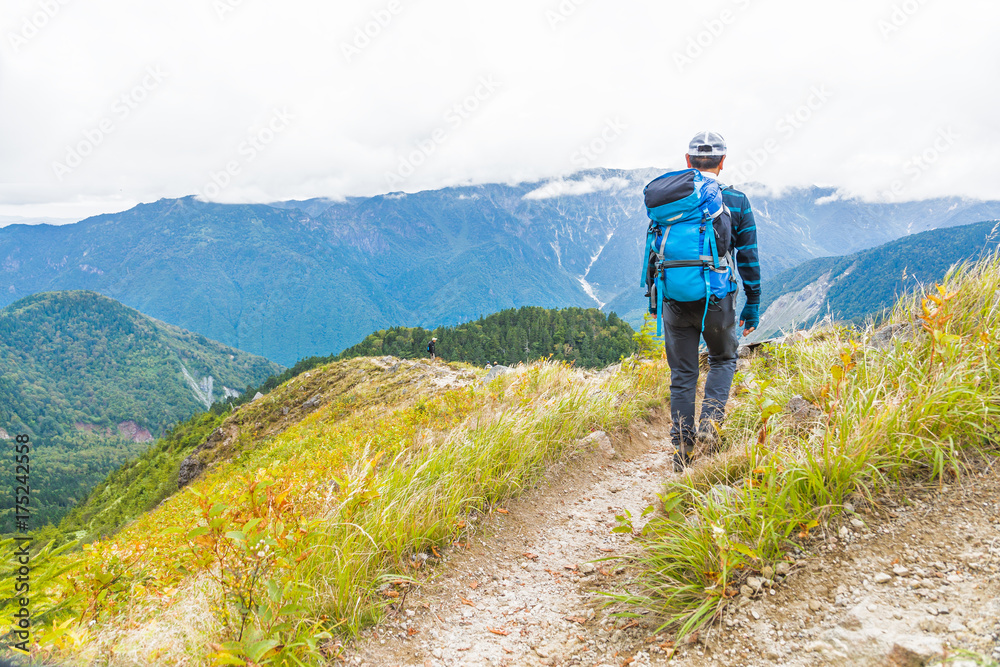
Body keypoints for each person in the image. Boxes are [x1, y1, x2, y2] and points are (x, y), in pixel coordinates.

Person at [664, 131, 761, 471]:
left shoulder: (670, 201)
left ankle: (680, 450)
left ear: (688, 162)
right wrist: (753, 303)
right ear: (723, 162)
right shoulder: (736, 201)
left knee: (683, 373)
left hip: (674, 298)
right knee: (722, 359)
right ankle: (710, 425)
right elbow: (748, 257)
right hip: (718, 299)